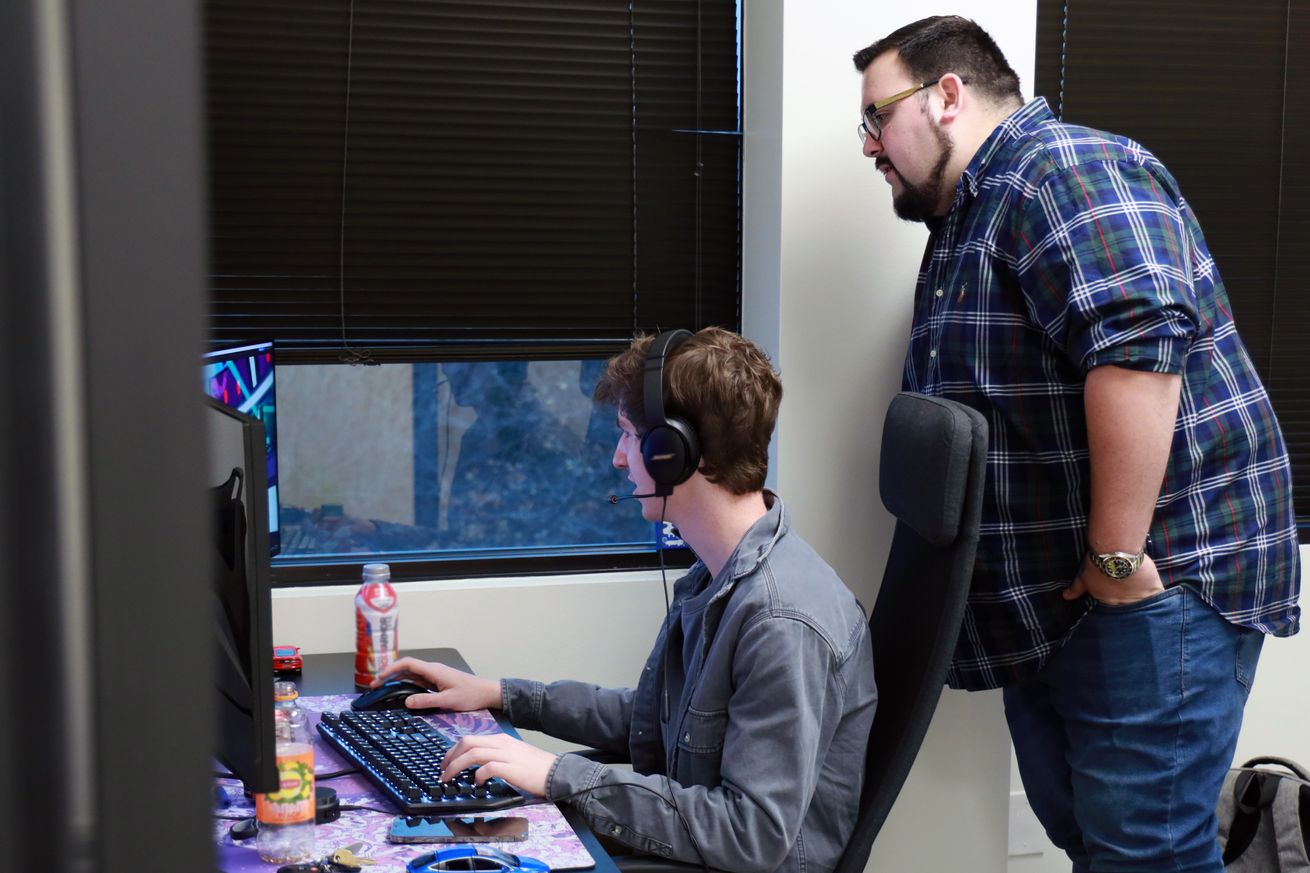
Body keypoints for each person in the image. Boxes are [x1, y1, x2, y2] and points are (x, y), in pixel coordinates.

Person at [852, 16, 1300, 872]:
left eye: (878, 116)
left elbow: (1139, 355)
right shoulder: (974, 211)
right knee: (1097, 843)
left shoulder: (1064, 171)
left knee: (1147, 855)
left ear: (948, 95)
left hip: (1151, 585)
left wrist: (1118, 558)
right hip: (1066, 605)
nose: (870, 144)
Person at [376, 327, 877, 873]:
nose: (618, 459)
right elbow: (652, 721)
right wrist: (497, 694)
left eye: (626, 436)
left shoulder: (782, 620)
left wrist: (556, 774)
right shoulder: (718, 575)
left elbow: (750, 834)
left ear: (673, 454)